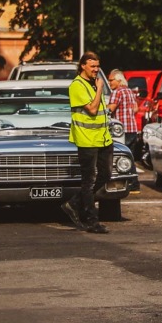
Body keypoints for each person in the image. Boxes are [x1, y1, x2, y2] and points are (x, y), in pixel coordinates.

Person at [64, 51, 113, 233]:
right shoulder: (77, 86)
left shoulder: (93, 83)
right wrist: (100, 88)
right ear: (83, 66)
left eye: (98, 66)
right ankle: (92, 221)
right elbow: (92, 110)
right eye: (92, 66)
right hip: (86, 139)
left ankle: (74, 203)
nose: (96, 70)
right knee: (89, 181)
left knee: (106, 175)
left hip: (103, 138)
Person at [106, 69, 140, 157]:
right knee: (128, 157)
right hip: (132, 129)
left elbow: (110, 109)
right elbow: (136, 109)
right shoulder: (130, 91)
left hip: (121, 131)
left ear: (119, 80)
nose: (109, 83)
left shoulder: (117, 92)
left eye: (111, 80)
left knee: (118, 157)